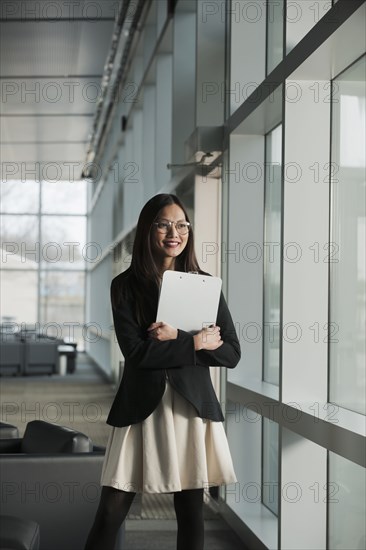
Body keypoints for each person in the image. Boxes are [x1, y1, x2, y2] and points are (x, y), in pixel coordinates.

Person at [84, 193, 241, 550]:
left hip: (191, 409)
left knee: (189, 512)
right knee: (111, 508)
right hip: (141, 407)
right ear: (147, 230)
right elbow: (137, 354)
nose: (175, 232)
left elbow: (231, 353)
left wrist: (180, 339)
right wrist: (195, 343)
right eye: (165, 224)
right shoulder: (124, 286)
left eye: (182, 224)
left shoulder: (204, 284)